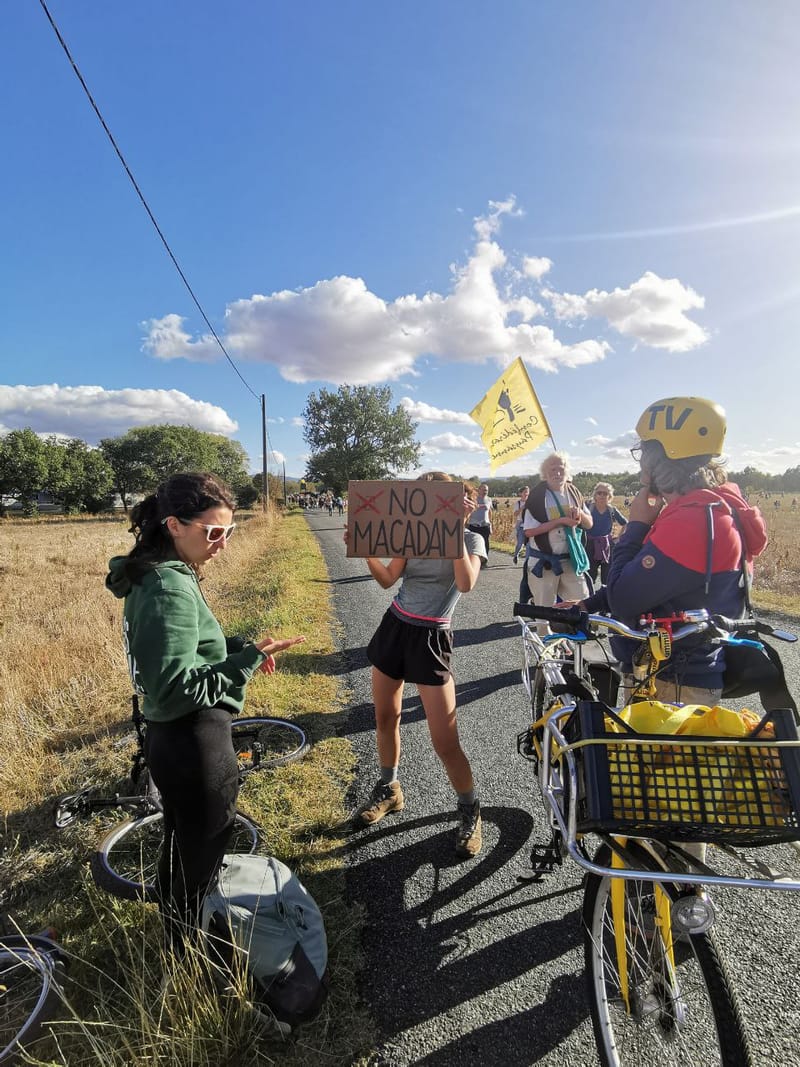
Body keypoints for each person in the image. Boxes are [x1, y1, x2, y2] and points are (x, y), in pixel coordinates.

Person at [106, 472, 305, 952]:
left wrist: (239, 648)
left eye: (229, 532)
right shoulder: (168, 587)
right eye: (213, 532)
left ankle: (179, 935)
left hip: (173, 740)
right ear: (174, 525)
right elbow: (175, 688)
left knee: (182, 847)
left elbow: (188, 649)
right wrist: (246, 663)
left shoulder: (160, 573)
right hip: (193, 743)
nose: (222, 543)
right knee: (198, 861)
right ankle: (191, 954)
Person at [586, 396, 768, 705]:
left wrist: (637, 526)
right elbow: (661, 582)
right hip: (682, 676)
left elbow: (623, 599)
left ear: (660, 457)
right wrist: (589, 603)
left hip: (671, 683)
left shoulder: (692, 520)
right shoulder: (713, 507)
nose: (641, 460)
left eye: (645, 450)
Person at [351, 473, 486, 858]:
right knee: (385, 718)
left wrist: (453, 531)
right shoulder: (412, 534)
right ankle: (390, 789)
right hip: (395, 627)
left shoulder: (472, 539)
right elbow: (387, 579)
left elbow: (465, 583)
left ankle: (469, 809)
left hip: (432, 637)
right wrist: (363, 550)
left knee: (445, 741)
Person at [521, 452, 592, 624]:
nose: (557, 473)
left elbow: (589, 524)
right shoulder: (537, 497)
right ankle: (546, 647)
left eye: (561, 469)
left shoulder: (574, 493)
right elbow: (529, 532)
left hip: (570, 561)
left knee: (582, 608)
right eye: (552, 469)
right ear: (544, 473)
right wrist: (560, 521)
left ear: (567, 471)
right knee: (544, 614)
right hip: (544, 564)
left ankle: (578, 648)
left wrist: (580, 514)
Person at [586, 482, 627, 587]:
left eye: (605, 493)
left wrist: (619, 538)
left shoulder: (612, 510)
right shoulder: (587, 508)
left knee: (607, 577)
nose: (602, 496)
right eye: (599, 493)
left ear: (610, 496)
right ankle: (589, 600)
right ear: (595, 494)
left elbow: (625, 523)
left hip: (607, 545)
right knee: (589, 576)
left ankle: (604, 600)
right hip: (589, 545)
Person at [467, 483, 492, 567]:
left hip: (485, 525)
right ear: (479, 490)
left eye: (487, 490)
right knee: (473, 544)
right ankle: (472, 561)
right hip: (474, 525)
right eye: (484, 490)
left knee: (486, 543)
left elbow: (489, 512)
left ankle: (484, 562)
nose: (485, 491)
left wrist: (490, 524)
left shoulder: (489, 499)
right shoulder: (473, 499)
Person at [511, 486, 530, 564]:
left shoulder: (531, 502)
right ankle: (516, 555)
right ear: (520, 493)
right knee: (520, 543)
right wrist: (522, 508)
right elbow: (515, 514)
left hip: (530, 526)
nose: (526, 493)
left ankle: (527, 561)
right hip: (521, 525)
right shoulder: (518, 503)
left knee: (529, 545)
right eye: (525, 492)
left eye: (528, 492)